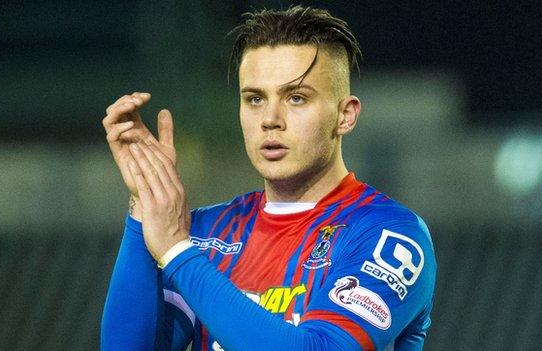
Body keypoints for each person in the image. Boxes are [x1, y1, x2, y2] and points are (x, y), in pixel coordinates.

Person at [100, 6, 436, 351]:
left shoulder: (390, 237)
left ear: (345, 115)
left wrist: (176, 250)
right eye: (255, 99)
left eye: (296, 98)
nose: (270, 119)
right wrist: (147, 203)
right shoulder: (204, 233)